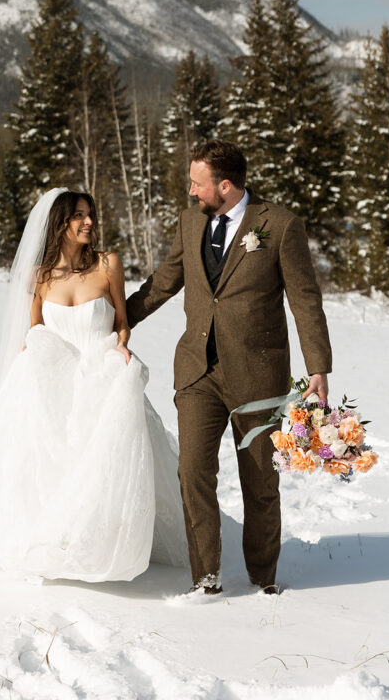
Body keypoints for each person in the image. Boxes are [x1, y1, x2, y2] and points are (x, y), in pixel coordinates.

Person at [126, 140, 333, 595]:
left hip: (259, 377)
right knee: (193, 472)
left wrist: (317, 366)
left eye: (197, 183)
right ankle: (206, 579)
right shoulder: (189, 222)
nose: (190, 191)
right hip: (198, 372)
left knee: (260, 482)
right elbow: (163, 283)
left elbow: (304, 300)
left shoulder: (279, 225)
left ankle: (263, 579)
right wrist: (117, 319)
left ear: (225, 184)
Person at [0, 188, 189, 581]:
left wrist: (122, 346)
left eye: (91, 214)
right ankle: (51, 538)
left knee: (104, 459)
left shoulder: (107, 263)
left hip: (101, 372)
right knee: (47, 459)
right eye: (79, 215)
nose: (89, 222)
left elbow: (121, 320)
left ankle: (99, 542)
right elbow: (35, 330)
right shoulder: (39, 276)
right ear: (59, 223)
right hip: (55, 379)